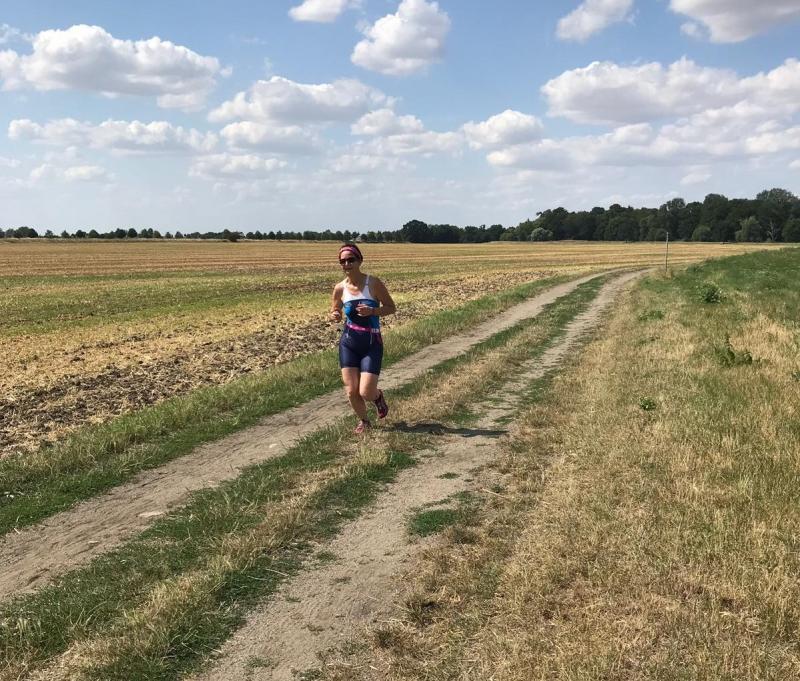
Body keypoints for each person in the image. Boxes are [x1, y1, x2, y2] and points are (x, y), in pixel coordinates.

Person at [330, 243, 396, 434]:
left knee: (365, 392)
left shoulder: (373, 283)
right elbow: (335, 309)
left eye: (351, 260)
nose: (347, 264)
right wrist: (335, 314)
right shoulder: (340, 288)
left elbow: (391, 307)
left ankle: (377, 397)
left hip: (371, 343)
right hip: (349, 343)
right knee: (351, 391)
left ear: (359, 261)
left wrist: (373, 311)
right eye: (342, 261)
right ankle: (365, 422)